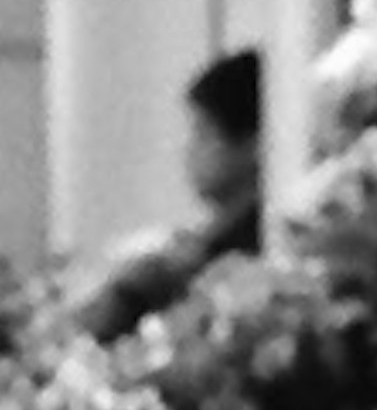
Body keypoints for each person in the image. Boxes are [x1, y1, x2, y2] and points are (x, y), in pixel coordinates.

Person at [70, 43, 263, 337]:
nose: (189, 152)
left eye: (203, 133)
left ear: (253, 144)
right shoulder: (202, 242)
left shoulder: (240, 247)